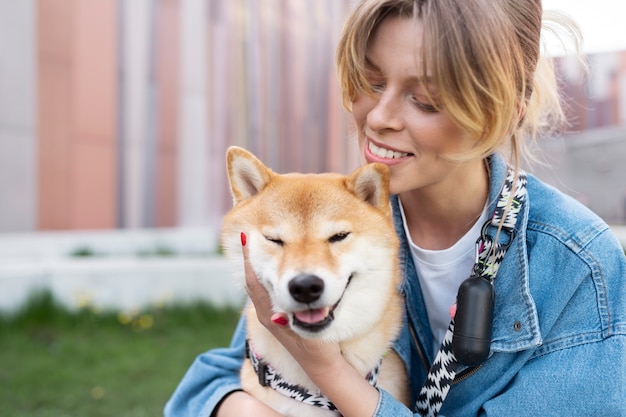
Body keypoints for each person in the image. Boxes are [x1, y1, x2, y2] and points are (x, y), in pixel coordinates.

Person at [165, 0, 626, 415]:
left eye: (424, 100)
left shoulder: (577, 264)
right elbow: (220, 376)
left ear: (505, 110)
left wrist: (328, 371)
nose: (379, 117)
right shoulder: (344, 215)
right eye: (370, 81)